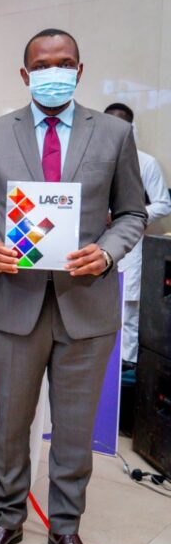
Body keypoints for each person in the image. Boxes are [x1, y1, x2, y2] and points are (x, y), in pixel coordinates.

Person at [0, 29, 146, 544]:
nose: (53, 71)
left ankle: (66, 527)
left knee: (72, 430)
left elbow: (133, 213)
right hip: (14, 302)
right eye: (42, 64)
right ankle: (8, 518)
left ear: (80, 69)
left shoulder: (114, 134)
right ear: (25, 74)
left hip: (84, 305)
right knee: (11, 426)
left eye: (64, 62)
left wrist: (107, 253)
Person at [103, 102, 171, 367]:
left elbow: (164, 204)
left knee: (128, 310)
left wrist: (124, 215)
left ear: (130, 128)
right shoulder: (89, 158)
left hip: (129, 246)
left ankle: (127, 367)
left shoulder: (145, 162)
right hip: (92, 245)